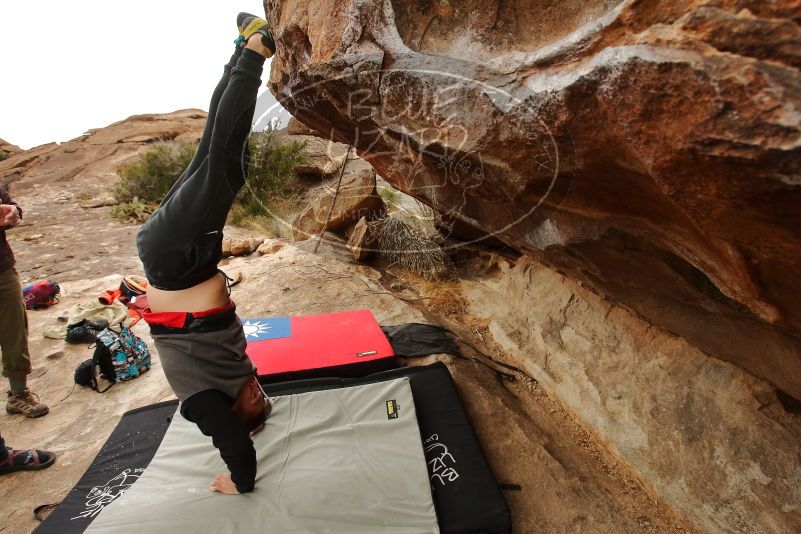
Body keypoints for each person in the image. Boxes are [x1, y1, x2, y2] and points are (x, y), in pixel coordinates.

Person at [137, 13, 276, 496]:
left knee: (224, 162)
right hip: (181, 256)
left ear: (240, 415)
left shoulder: (204, 403)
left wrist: (239, 483)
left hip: (178, 256)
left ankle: (256, 50)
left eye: (257, 403)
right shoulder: (237, 377)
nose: (259, 393)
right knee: (213, 154)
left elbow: (237, 448)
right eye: (264, 396)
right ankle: (244, 47)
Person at [0, 187, 49, 418]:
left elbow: (11, 206)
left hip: (2, 270)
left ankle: (18, 394)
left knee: (15, 331)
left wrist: (13, 213)